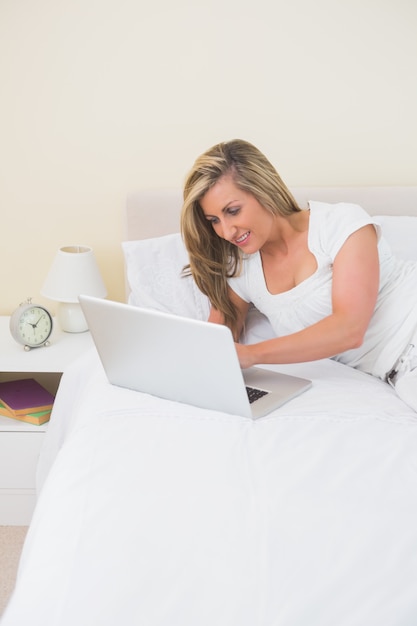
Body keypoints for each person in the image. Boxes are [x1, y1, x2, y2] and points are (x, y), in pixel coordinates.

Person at [180, 139, 417, 412]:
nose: (227, 231)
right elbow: (212, 346)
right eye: (214, 221)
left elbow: (350, 329)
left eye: (233, 211)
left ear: (263, 189)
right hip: (401, 374)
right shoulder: (241, 271)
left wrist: (250, 355)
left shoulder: (339, 224)